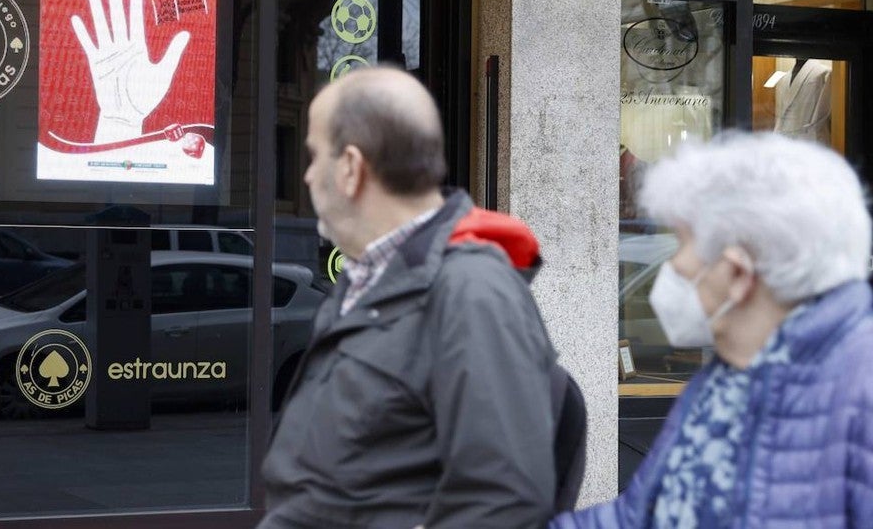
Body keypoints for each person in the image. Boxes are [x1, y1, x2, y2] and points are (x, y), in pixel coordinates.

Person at [259, 67, 560, 528]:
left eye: (314, 155)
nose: (305, 176)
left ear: (350, 168)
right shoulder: (373, 278)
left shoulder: (473, 291)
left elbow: (504, 502)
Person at [552, 132, 873, 528]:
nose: (674, 265)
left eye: (682, 244)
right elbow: (637, 516)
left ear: (737, 273)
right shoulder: (721, 381)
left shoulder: (861, 392)